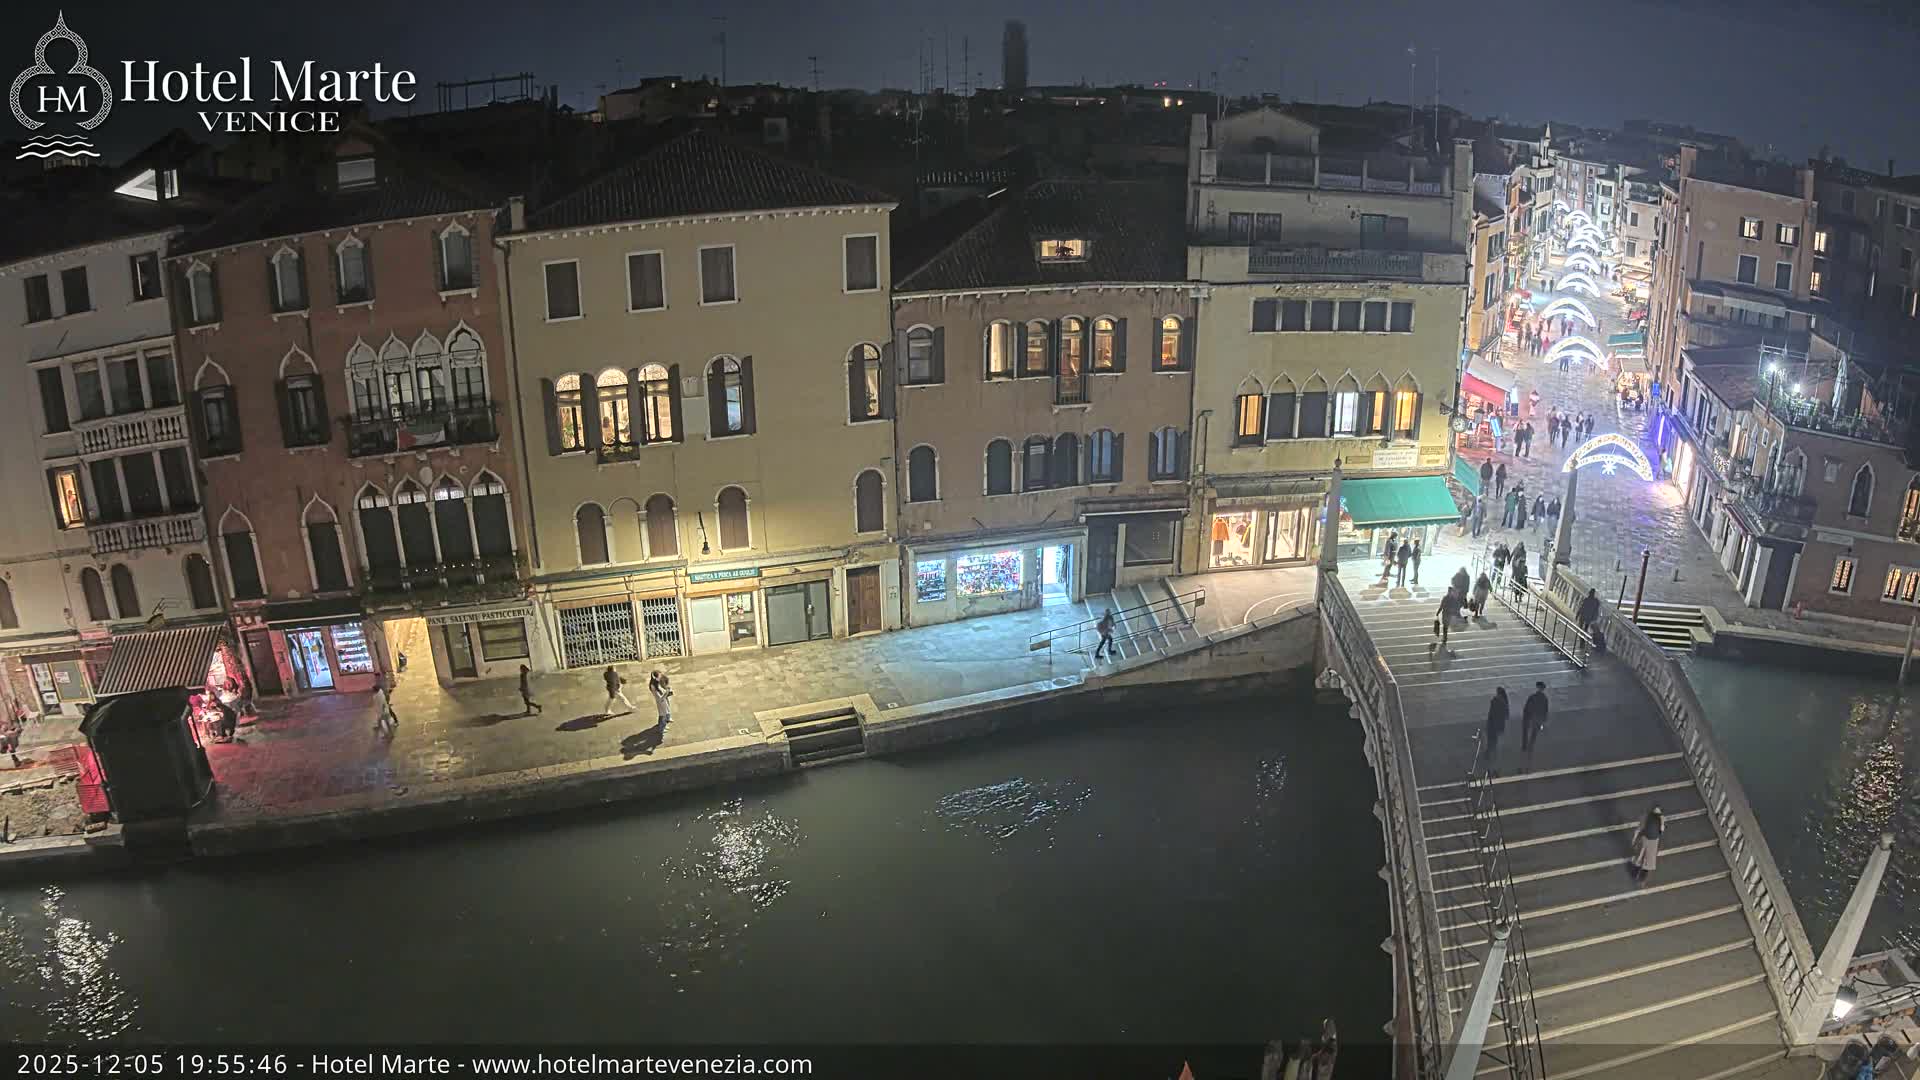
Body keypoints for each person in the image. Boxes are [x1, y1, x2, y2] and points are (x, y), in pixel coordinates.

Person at [1629, 805, 1665, 883]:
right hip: (1651, 841)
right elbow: (1661, 831)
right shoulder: (1657, 818)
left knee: (1641, 857)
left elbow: (1639, 828)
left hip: (1647, 839)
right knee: (1647, 859)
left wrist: (1634, 838)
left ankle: (1637, 874)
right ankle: (1640, 876)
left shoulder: (1648, 816)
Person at [1480, 688, 1509, 776]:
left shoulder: (1495, 701)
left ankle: (1489, 757)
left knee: (1491, 742)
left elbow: (1491, 715)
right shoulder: (1505, 703)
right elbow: (1506, 716)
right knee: (1495, 744)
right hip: (1499, 728)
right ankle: (1493, 765)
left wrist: (1487, 725)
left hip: (1492, 727)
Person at [1522, 681, 1550, 756]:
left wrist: (1526, 715)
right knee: (1534, 733)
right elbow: (1545, 710)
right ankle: (1530, 746)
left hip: (1531, 716)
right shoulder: (1544, 698)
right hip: (1538, 718)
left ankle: (1525, 746)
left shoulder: (1533, 696)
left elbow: (1527, 707)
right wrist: (1544, 719)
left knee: (1526, 730)